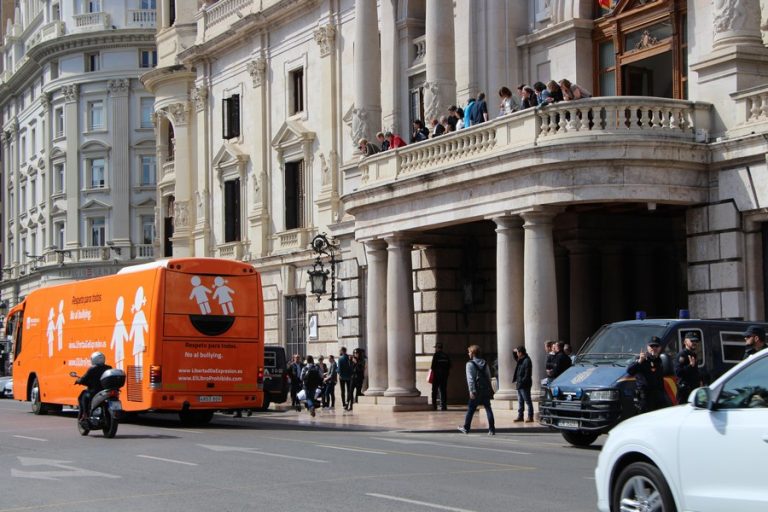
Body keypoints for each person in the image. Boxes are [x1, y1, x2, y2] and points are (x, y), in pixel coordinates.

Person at [457, 345, 495, 436]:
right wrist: (489, 388)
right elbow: (488, 376)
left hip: (476, 390)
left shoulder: (469, 364)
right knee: (488, 408)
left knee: (471, 409)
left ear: (473, 353)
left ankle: (466, 428)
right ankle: (492, 429)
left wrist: (471, 390)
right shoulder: (484, 363)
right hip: (485, 389)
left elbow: (470, 379)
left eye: (469, 352)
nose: (468, 353)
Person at [627, 336, 669, 414]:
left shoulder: (659, 360)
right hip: (646, 397)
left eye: (656, 346)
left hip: (658, 396)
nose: (654, 348)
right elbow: (630, 371)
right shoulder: (642, 358)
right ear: (647, 347)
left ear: (660, 348)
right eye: (652, 346)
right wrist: (639, 361)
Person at [75, 351, 112, 420]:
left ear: (94, 359)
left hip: (94, 391)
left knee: (83, 396)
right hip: (106, 391)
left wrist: (78, 381)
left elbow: (84, 378)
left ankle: (85, 414)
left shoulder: (92, 368)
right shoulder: (109, 367)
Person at [675, 331, 701, 404]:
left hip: (693, 389)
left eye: (696, 341)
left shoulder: (693, 354)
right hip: (684, 391)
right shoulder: (682, 355)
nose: (694, 343)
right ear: (685, 342)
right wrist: (689, 366)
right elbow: (678, 372)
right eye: (692, 341)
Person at [512, 346, 534, 422]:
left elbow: (527, 374)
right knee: (520, 401)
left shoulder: (527, 361)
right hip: (519, 384)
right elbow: (515, 357)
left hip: (525, 384)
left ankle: (530, 416)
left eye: (517, 352)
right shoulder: (520, 360)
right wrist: (513, 351)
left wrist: (522, 382)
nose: (517, 354)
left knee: (527, 401)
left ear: (521, 353)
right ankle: (520, 416)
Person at [430, 342, 451, 411]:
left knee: (434, 391)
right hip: (444, 376)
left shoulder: (436, 355)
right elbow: (449, 365)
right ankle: (443, 406)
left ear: (437, 348)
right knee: (443, 391)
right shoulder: (446, 355)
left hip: (437, 376)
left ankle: (434, 406)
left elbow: (433, 366)